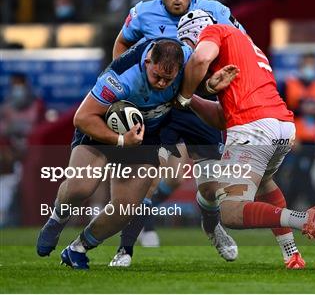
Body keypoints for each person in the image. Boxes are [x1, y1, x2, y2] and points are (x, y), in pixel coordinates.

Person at [35, 38, 237, 269]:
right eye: (157, 76)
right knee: (81, 187)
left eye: (168, 79)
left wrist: (209, 87)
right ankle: (57, 219)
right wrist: (120, 140)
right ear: (148, 61)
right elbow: (82, 118)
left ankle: (77, 249)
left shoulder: (191, 62)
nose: (161, 83)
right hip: (102, 127)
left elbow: (196, 90)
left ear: (180, 69)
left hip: (145, 135)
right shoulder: (122, 77)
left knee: (126, 207)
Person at [108, 0, 244, 266]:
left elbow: (242, 45)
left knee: (209, 188)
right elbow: (121, 43)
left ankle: (212, 226)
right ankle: (125, 249)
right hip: (158, 105)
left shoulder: (217, 12)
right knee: (146, 179)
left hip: (198, 104)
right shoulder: (143, 13)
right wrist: (125, 86)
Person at [176, 10, 315, 268]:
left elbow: (200, 58)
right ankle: (291, 254)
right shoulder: (247, 47)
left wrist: (183, 94)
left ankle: (304, 219)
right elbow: (222, 117)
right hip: (282, 127)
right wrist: (192, 101)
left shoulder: (214, 32)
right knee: (264, 183)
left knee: (230, 212)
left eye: (186, 44)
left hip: (254, 129)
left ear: (193, 33)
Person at [0, 73, 46, 226]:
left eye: (20, 84)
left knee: (32, 189)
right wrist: (8, 151)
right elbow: (3, 135)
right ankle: (5, 219)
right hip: (12, 154)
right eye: (15, 84)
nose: (17, 88)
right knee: (8, 183)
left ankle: (33, 221)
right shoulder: (6, 107)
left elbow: (42, 131)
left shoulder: (37, 105)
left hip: (32, 154)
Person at [281, 52, 315, 209]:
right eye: (307, 64)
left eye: (313, 64)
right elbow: (282, 112)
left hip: (312, 139)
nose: (310, 68)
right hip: (295, 139)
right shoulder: (289, 85)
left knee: (300, 177)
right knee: (300, 176)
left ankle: (285, 212)